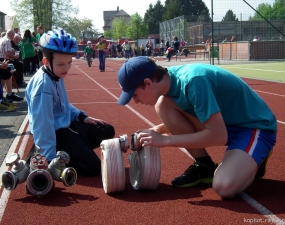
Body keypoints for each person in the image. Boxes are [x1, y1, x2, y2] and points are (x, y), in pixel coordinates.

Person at [116, 56, 277, 198]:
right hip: (224, 123)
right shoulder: (169, 80)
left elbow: (218, 136)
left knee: (224, 187)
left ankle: (257, 158)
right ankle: (205, 166)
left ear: (148, 83)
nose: (135, 101)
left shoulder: (193, 81)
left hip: (253, 127)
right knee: (163, 104)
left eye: (134, 95)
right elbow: (200, 117)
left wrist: (164, 140)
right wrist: (157, 130)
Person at [25, 29, 115, 176]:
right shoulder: (43, 86)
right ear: (46, 61)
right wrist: (49, 161)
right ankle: (38, 157)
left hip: (66, 125)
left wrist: (81, 117)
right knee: (93, 167)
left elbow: (62, 105)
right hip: (56, 133)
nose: (66, 68)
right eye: (61, 64)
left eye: (69, 62)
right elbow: (43, 124)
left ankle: (77, 147)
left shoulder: (55, 74)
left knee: (106, 130)